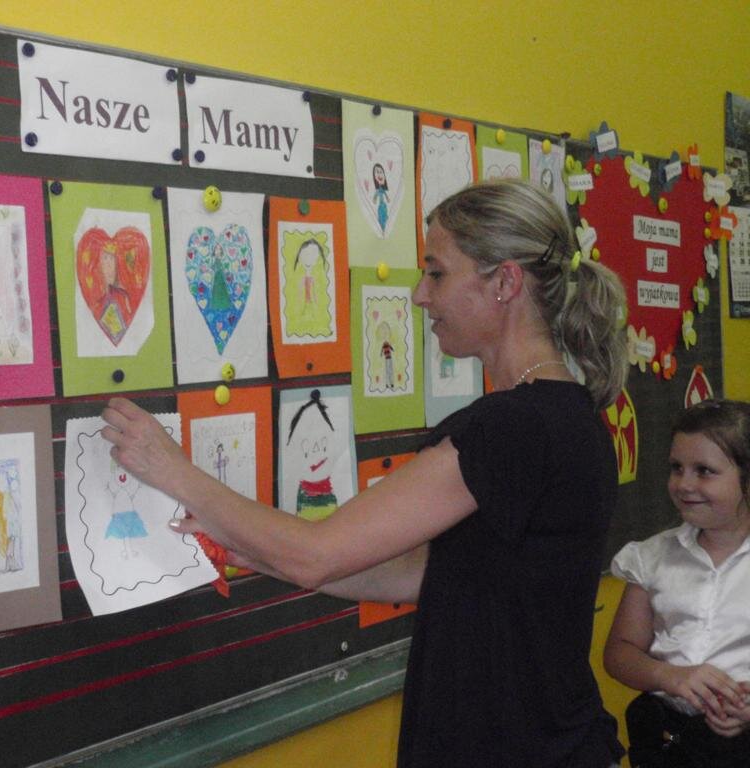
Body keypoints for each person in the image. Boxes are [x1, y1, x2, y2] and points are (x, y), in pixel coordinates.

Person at [102, 178, 628, 767]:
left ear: (505, 282)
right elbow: (425, 574)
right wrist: (261, 552)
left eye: (436, 273)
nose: (420, 296)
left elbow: (316, 553)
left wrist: (170, 468)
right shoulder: (566, 415)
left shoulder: (511, 428)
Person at [604, 399, 750, 767]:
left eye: (704, 471)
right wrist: (668, 675)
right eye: (676, 468)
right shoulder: (652, 557)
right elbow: (620, 653)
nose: (684, 484)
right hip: (669, 741)